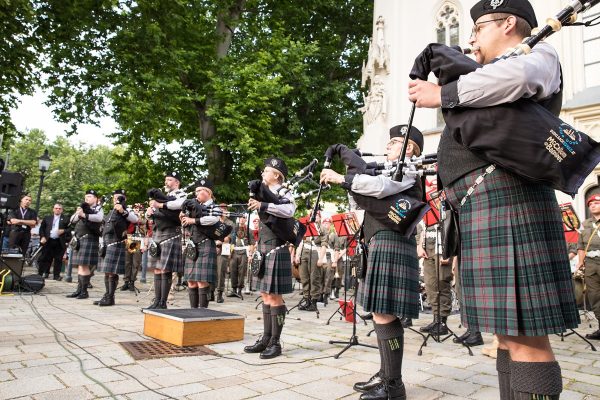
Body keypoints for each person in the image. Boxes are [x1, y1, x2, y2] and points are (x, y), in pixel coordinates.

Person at [408, 1, 580, 398]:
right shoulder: (484, 73)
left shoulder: (539, 55)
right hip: (483, 206)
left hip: (512, 201)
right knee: (505, 337)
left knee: (526, 340)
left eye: (479, 27)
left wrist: (444, 92)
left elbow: (518, 77)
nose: (470, 37)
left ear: (507, 24)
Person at [320, 124, 424, 400]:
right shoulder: (390, 169)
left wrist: (342, 178)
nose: (388, 146)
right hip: (380, 240)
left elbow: (377, 187)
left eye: (394, 142)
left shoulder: (409, 168)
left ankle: (393, 386)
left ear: (409, 148)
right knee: (380, 312)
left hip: (391, 242)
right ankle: (386, 374)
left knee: (384, 312)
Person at [243, 158, 295, 359]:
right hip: (264, 246)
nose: (263, 173)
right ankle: (266, 338)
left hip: (277, 247)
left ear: (277, 175)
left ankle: (275, 342)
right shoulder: (264, 193)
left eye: (267, 171)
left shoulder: (284, 192)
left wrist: (264, 205)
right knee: (265, 294)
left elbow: (289, 210)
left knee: (274, 296)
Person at [144, 172, 186, 310]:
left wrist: (159, 204)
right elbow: (150, 213)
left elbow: (178, 205)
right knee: (157, 269)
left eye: (170, 180)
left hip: (170, 234)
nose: (166, 182)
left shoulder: (181, 194)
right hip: (157, 233)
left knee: (165, 269)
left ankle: (163, 302)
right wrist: (149, 212)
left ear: (177, 183)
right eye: (166, 180)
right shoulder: (162, 196)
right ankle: (157, 301)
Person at [94, 189, 138, 306]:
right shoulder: (110, 211)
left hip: (116, 243)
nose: (116, 199)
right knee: (107, 271)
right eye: (114, 197)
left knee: (112, 272)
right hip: (107, 243)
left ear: (124, 199)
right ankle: (107, 295)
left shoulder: (127, 210)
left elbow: (135, 219)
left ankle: (110, 297)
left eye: (119, 197)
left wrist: (123, 211)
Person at [181, 179, 219, 308]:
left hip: (206, 244)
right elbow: (186, 223)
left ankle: (203, 311)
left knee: (202, 281)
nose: (197, 193)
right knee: (191, 281)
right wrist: (184, 218)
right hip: (193, 245)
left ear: (208, 192)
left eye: (200, 190)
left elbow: (213, 219)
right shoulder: (192, 206)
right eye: (196, 191)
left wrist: (192, 220)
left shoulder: (214, 206)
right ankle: (193, 310)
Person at [416, 218, 454, 337]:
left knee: (442, 282)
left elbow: (450, 224)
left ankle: (442, 322)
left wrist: (449, 249)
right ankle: (436, 319)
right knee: (430, 284)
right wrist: (420, 245)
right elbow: (423, 225)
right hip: (428, 243)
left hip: (442, 244)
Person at [66, 190, 104, 299]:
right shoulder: (82, 208)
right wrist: (79, 212)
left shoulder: (98, 208)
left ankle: (84, 291)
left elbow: (99, 218)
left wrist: (84, 215)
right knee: (80, 265)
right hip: (79, 239)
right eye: (86, 196)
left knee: (84, 265)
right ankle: (79, 290)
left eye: (90, 196)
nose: (87, 198)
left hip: (89, 239)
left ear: (96, 198)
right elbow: (72, 220)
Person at [577, 194, 600, 340]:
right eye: (590, 204)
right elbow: (581, 246)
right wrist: (580, 262)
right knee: (594, 296)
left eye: (596, 203)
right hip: (591, 264)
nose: (592, 206)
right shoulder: (585, 224)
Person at [38, 203, 71, 280]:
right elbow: (41, 229)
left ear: (62, 210)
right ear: (53, 209)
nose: (58, 210)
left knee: (58, 259)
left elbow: (70, 229)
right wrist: (42, 237)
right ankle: (42, 273)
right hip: (48, 240)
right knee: (45, 258)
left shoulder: (66, 218)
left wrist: (63, 230)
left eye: (59, 208)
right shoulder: (47, 218)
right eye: (56, 208)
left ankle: (56, 275)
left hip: (60, 241)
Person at [122, 203, 147, 291]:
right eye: (135, 208)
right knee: (127, 262)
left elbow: (145, 230)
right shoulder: (129, 216)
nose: (137, 209)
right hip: (130, 240)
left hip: (138, 241)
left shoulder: (143, 217)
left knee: (135, 263)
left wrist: (145, 245)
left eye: (139, 208)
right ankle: (126, 281)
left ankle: (132, 281)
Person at [215, 203, 235, 303]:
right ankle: (209, 292)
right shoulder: (214, 221)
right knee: (211, 270)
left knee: (221, 272)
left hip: (223, 249)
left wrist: (219, 243)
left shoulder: (230, 223)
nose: (222, 211)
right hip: (213, 247)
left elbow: (228, 237)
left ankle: (219, 293)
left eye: (224, 209)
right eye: (220, 209)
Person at [228, 214, 250, 297]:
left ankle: (240, 290)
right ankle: (234, 289)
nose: (242, 219)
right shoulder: (233, 228)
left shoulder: (248, 230)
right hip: (233, 252)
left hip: (244, 252)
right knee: (233, 271)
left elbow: (252, 243)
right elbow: (229, 239)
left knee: (242, 272)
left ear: (246, 219)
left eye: (243, 218)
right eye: (240, 217)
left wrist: (250, 254)